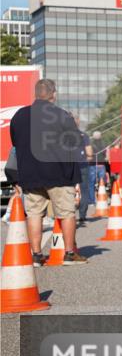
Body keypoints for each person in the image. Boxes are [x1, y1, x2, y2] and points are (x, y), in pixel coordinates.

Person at [8, 79, 85, 264]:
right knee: (66, 213)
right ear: (53, 94)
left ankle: (36, 255)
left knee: (34, 214)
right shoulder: (61, 115)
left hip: (30, 174)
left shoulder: (19, 116)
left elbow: (15, 143)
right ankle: (69, 254)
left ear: (36, 94)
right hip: (59, 173)